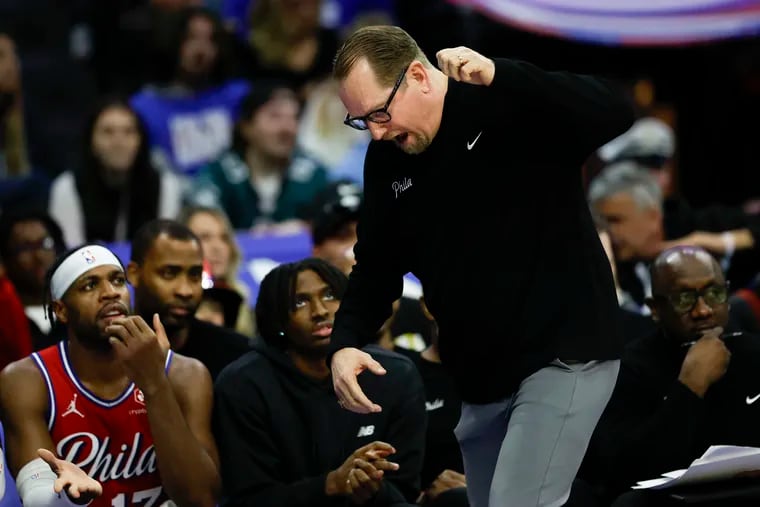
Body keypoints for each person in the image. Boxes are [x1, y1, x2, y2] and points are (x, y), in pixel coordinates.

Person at [327, 25, 635, 507]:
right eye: (359, 121)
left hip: (566, 350)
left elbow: (615, 111)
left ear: (418, 76)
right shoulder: (386, 160)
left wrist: (506, 75)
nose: (376, 132)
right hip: (480, 377)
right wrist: (344, 342)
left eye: (380, 113)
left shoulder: (504, 100)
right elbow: (376, 266)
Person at [0, 243, 221, 507]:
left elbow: (202, 499)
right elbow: (38, 498)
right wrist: (68, 498)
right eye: (89, 285)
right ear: (61, 310)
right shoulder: (26, 379)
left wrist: (154, 384)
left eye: (117, 281)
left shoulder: (185, 374)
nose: (110, 293)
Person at [213, 257, 426, 506]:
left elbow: (405, 489)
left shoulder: (393, 373)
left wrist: (369, 485)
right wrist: (331, 484)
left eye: (329, 295)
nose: (320, 311)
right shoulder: (242, 385)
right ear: (276, 319)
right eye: (300, 302)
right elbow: (248, 498)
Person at [579, 246, 760, 506]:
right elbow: (622, 471)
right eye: (685, 299)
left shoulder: (754, 353)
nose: (703, 310)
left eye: (714, 293)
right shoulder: (628, 369)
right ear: (655, 308)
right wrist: (690, 387)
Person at [128, 218, 252, 380]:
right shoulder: (102, 352)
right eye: (169, 274)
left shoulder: (239, 358)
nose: (185, 291)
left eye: (194, 275)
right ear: (134, 274)